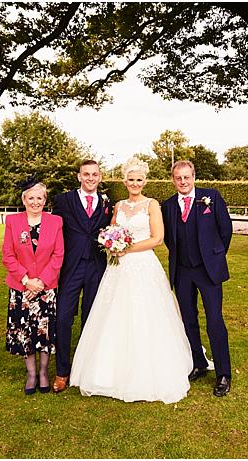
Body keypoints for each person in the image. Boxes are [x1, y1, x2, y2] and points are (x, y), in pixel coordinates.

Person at [69, 157, 193, 403]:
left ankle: (147, 373)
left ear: (144, 181)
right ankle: (108, 372)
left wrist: (126, 248)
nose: (135, 183)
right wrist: (112, 244)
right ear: (125, 181)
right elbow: (111, 232)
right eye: (131, 179)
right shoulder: (118, 206)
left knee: (146, 314)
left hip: (143, 265)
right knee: (114, 313)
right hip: (118, 268)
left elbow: (157, 239)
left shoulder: (152, 205)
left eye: (139, 179)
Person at [161, 160, 234, 397]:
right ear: (173, 180)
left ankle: (223, 373)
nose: (183, 182)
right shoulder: (168, 206)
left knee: (214, 319)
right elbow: (169, 239)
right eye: (178, 178)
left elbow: (226, 230)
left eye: (187, 177)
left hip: (208, 270)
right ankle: (198, 362)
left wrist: (214, 255)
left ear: (194, 177)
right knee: (188, 319)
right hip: (182, 270)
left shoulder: (211, 197)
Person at [50, 160, 112, 393]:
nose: (90, 178)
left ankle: (88, 369)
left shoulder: (107, 201)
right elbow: (53, 231)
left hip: (97, 266)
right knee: (64, 318)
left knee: (92, 317)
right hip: (71, 267)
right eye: (86, 174)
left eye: (94, 174)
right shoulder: (64, 200)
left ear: (100, 176)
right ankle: (62, 372)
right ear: (79, 176)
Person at [2, 178, 64, 395]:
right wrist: (27, 280)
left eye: (39, 198)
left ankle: (44, 372)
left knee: (45, 332)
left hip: (46, 289)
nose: (35, 202)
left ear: (45, 200)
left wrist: (42, 281)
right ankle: (31, 373)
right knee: (26, 331)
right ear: (24, 199)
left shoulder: (55, 222)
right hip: (22, 289)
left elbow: (58, 255)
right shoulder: (13, 221)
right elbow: (8, 255)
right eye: (31, 198)